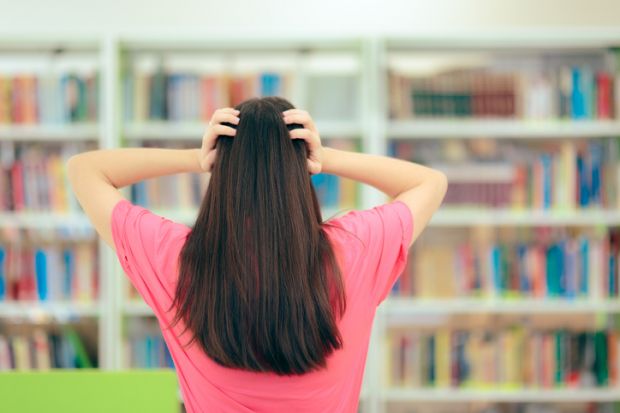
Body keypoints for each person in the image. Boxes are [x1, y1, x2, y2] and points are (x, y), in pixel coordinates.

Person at [67, 96, 447, 413]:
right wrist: (323, 157)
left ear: (222, 170)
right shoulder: (353, 250)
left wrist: (196, 159)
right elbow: (428, 182)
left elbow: (85, 170)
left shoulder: (177, 261)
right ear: (301, 170)